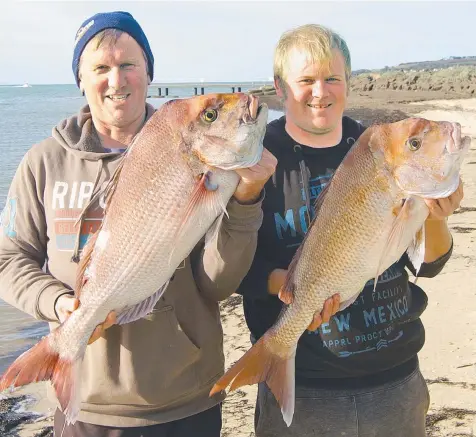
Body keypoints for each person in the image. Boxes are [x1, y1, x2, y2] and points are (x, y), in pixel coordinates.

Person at [0, 11, 277, 437]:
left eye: (129, 64)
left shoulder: (193, 158)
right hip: (86, 410)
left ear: (149, 72)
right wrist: (61, 306)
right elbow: (7, 261)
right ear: (80, 79)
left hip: (186, 401)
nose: (117, 80)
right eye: (101, 68)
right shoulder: (42, 163)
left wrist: (246, 199)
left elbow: (218, 284)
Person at [237, 24, 463, 437]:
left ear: (348, 83)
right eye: (305, 80)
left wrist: (437, 217)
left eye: (332, 79)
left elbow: (428, 265)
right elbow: (230, 265)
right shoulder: (257, 161)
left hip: (395, 381)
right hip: (306, 389)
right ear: (280, 87)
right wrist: (292, 287)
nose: (320, 92)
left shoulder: (379, 147)